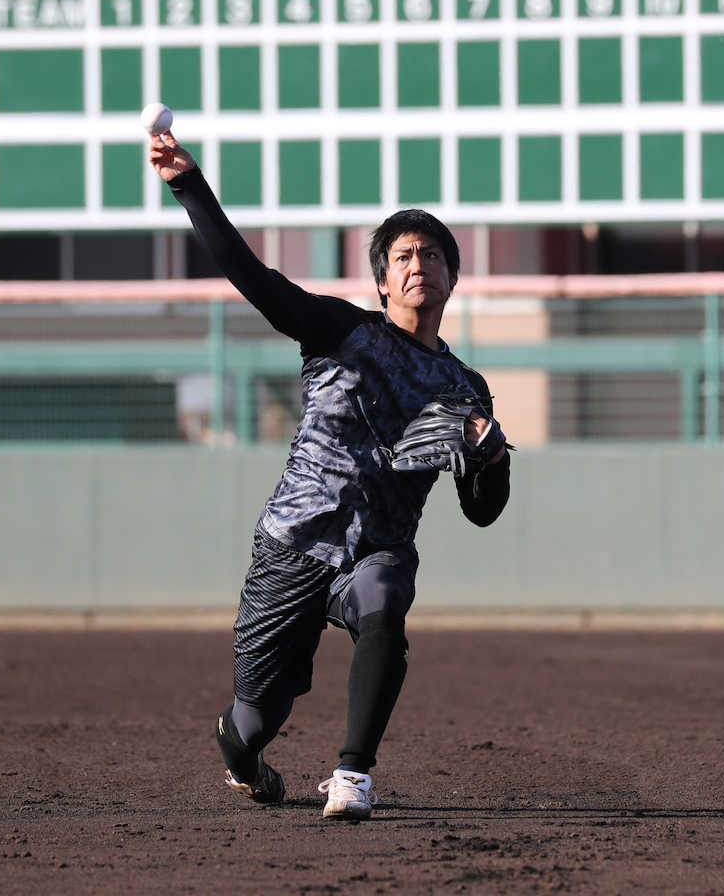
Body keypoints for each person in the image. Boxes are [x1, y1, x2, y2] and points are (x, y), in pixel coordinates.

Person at [148, 131, 511, 820]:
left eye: (432, 255)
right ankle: (246, 760)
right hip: (291, 546)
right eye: (403, 256)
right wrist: (188, 185)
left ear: (452, 276)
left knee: (386, 595)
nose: (418, 265)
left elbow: (483, 509)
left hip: (374, 548)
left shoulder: (465, 388)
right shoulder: (341, 331)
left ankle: (352, 775)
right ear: (382, 279)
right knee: (251, 721)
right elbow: (251, 277)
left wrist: (491, 457)